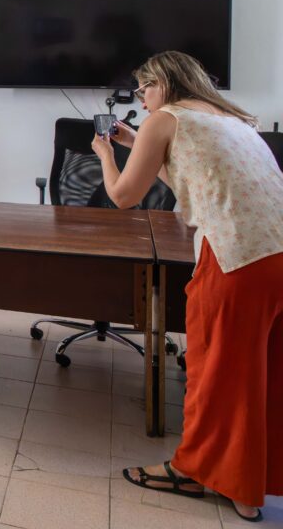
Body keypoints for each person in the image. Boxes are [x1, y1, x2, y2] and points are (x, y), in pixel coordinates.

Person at [95, 51, 283, 522]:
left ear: (161, 83)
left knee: (216, 374)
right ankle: (249, 484)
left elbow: (122, 197)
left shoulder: (165, 117)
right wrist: (135, 141)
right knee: (263, 375)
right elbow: (186, 174)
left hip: (235, 257)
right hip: (276, 253)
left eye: (143, 91)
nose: (142, 100)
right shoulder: (232, 119)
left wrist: (104, 154)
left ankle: (194, 470)